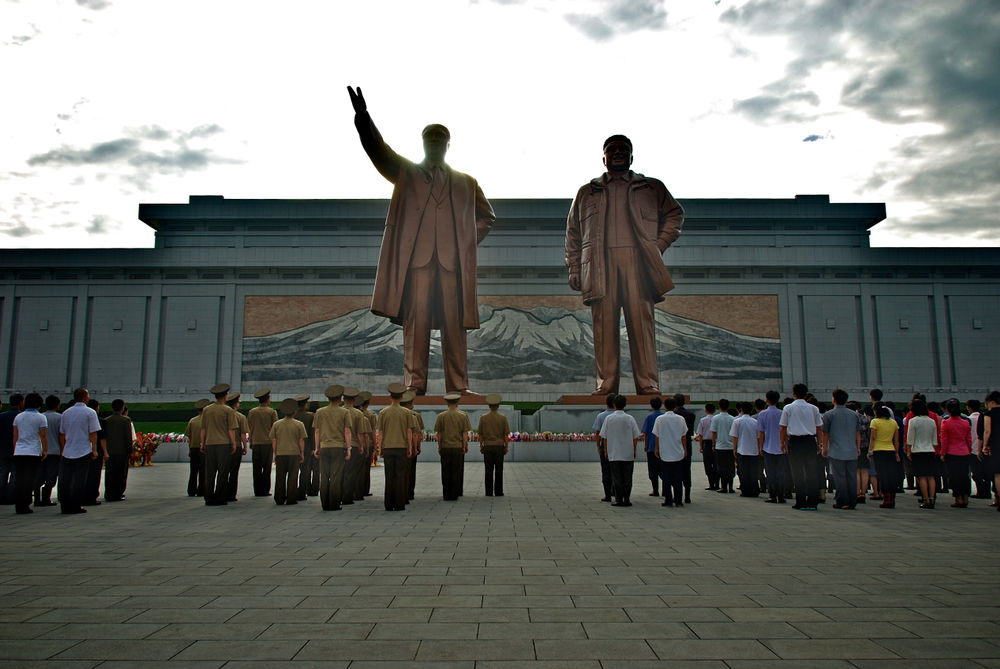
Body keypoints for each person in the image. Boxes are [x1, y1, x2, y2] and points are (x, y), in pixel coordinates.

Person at [347, 86, 495, 395]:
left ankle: (459, 386)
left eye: (440, 139)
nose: (435, 144)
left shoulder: (466, 182)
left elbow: (487, 217)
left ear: (448, 145)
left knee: (455, 326)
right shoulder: (407, 172)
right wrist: (363, 118)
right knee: (417, 323)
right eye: (430, 139)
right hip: (418, 263)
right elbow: (379, 150)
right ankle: (414, 384)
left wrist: (466, 241)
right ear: (424, 143)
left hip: (452, 265)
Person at [565, 135, 684, 395]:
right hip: (598, 265)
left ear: (632, 156)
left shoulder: (651, 187)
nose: (618, 153)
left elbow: (675, 214)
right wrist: (574, 267)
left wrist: (658, 245)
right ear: (603, 157)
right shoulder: (587, 191)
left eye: (624, 150)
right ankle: (606, 384)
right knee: (603, 326)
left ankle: (647, 383)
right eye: (612, 149)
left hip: (638, 263)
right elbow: (573, 232)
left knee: (641, 324)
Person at [779, 383, 823, 510]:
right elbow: (819, 428)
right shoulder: (813, 409)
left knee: (797, 472)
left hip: (795, 441)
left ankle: (801, 501)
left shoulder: (788, 408)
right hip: (810, 441)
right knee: (811, 472)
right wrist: (820, 444)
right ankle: (813, 502)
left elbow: (782, 428)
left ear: (794, 394)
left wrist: (783, 443)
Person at [57, 388, 101, 515]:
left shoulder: (66, 412)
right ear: (85, 398)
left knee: (66, 480)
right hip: (83, 450)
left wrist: (63, 448)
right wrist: (94, 449)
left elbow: (62, 433)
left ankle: (65, 506)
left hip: (68, 450)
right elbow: (93, 433)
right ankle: (76, 505)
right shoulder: (90, 412)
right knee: (79, 480)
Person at [312, 384, 352, 511]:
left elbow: (317, 431)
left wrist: (317, 447)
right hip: (338, 447)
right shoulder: (344, 412)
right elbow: (347, 431)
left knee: (324, 476)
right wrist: (349, 448)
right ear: (340, 398)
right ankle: (334, 503)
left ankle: (325, 503)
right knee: (336, 476)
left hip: (324, 446)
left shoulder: (320, 412)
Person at [821, 389, 862, 510]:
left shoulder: (829, 415)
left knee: (840, 477)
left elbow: (825, 433)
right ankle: (852, 501)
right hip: (851, 450)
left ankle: (842, 501)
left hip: (836, 451)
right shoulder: (854, 414)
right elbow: (857, 432)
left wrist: (824, 447)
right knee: (851, 476)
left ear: (834, 399)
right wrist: (858, 447)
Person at [376, 382, 413, 511]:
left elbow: (380, 433)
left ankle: (388, 503)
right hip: (401, 447)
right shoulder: (407, 413)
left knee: (389, 476)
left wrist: (380, 449)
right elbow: (409, 432)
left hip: (388, 447)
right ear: (402, 397)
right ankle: (399, 504)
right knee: (400, 477)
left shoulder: (383, 412)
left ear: (390, 397)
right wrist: (410, 447)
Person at [200, 384, 239, 506]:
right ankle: (220, 497)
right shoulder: (228, 410)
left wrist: (202, 443)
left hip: (210, 443)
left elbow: (203, 428)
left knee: (210, 471)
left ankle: (208, 497)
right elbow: (231, 429)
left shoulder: (207, 409)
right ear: (225, 396)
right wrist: (233, 444)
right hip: (223, 444)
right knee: (223, 471)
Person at [599, 394, 640, 507]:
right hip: (627, 452)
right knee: (627, 477)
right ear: (625, 404)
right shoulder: (630, 418)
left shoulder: (609, 418)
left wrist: (606, 451)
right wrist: (634, 449)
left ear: (614, 404)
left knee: (616, 477)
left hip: (614, 452)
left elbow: (604, 437)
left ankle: (618, 499)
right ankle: (626, 499)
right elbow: (635, 436)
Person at [11, 393, 47, 514]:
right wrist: (45, 450)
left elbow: (15, 436)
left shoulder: (19, 417)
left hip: (19, 451)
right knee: (30, 479)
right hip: (33, 451)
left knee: (20, 479)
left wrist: (15, 449)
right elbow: (43, 436)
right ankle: (26, 503)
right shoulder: (41, 417)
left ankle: (19, 504)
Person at [269, 398, 307, 506]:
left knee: (280, 477)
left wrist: (275, 454)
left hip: (281, 453)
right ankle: (291, 498)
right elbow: (301, 441)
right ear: (294, 411)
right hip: (294, 453)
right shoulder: (299, 424)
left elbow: (274, 440)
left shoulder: (277, 424)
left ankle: (279, 498)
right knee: (293, 477)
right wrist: (302, 453)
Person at [435, 392, 471, 501]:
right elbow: (465, 433)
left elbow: (439, 434)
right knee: (457, 470)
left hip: (445, 447)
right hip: (457, 446)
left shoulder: (441, 416)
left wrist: (440, 446)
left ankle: (447, 493)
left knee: (445, 471)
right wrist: (465, 446)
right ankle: (456, 492)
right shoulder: (463, 415)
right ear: (457, 402)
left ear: (447, 403)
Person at [653, 396, 688, 507]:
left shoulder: (660, 419)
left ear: (665, 406)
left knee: (666, 478)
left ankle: (668, 499)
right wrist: (685, 449)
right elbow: (684, 436)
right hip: (678, 451)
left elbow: (657, 436)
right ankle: (678, 500)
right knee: (678, 477)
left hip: (665, 451)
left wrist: (656, 448)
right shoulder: (680, 419)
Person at [905, 399, 939, 509]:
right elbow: (935, 440)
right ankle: (932, 498)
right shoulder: (931, 421)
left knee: (921, 476)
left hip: (917, 450)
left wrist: (908, 451)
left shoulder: (913, 421)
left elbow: (910, 439)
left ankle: (925, 499)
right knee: (931, 476)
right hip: (930, 450)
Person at [940, 399, 972, 508]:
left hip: (951, 453)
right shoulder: (966, 422)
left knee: (954, 476)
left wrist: (943, 453)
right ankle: (965, 498)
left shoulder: (946, 422)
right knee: (964, 476)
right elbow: (969, 439)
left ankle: (958, 498)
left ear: (948, 410)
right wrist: (969, 449)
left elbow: (944, 440)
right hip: (964, 452)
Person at [869, 405, 901, 509]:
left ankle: (886, 498)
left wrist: (870, 451)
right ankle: (892, 498)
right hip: (890, 450)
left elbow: (873, 438)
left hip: (878, 450)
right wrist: (896, 453)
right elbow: (896, 440)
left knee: (882, 476)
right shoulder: (893, 422)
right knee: (891, 475)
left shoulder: (875, 422)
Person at [478, 394, 510, 497]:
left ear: (489, 405)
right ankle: (498, 491)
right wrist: (506, 446)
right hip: (499, 446)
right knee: (499, 469)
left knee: (488, 470)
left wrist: (481, 446)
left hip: (487, 446)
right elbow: (505, 435)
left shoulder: (483, 418)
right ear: (498, 405)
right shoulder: (503, 418)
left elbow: (480, 434)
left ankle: (488, 492)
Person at [247, 389, 277, 497]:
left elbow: (250, 427)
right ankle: (265, 490)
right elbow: (275, 429)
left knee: (256, 468)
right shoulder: (271, 412)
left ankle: (257, 490)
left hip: (256, 442)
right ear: (267, 399)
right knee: (266, 467)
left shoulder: (252, 412)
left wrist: (251, 440)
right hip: (267, 443)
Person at [756, 391, 785, 504]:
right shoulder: (782, 413)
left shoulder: (762, 414)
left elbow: (761, 433)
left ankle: (773, 495)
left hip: (768, 447)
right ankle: (781, 496)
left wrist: (760, 447)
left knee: (770, 472)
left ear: (767, 400)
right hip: (781, 447)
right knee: (781, 472)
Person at [103, 399, 134, 502]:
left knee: (110, 473)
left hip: (110, 450)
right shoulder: (126, 420)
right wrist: (130, 450)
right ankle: (118, 493)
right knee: (121, 474)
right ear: (122, 407)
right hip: (122, 451)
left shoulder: (106, 420)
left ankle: (108, 493)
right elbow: (128, 437)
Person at [36, 395, 62, 507]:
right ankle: (46, 498)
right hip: (55, 451)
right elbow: (62, 435)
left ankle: (37, 499)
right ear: (57, 405)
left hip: (41, 451)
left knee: (39, 476)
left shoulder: (40, 416)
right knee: (51, 477)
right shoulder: (60, 418)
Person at [731, 401, 761, 498]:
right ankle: (755, 489)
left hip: (742, 449)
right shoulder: (755, 422)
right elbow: (758, 437)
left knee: (744, 472)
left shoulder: (737, 421)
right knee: (753, 471)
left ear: (741, 410)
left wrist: (734, 449)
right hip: (754, 450)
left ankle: (746, 490)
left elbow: (735, 437)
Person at [83, 398, 109, 506]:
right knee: (94, 474)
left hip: (83, 448)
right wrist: (105, 452)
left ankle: (82, 495)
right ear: (97, 408)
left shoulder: (83, 417)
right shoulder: (100, 420)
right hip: (96, 450)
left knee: (84, 474)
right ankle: (92, 496)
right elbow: (102, 438)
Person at [0, 394, 24, 505]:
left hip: (3, 449)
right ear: (20, 403)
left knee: (3, 472)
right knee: (15, 474)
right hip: (17, 448)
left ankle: (1, 496)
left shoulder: (2, 416)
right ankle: (11, 496)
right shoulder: (22, 416)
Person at [592, 393, 617, 502]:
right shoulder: (622, 416)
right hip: (617, 446)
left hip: (605, 446)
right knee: (616, 470)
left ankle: (607, 495)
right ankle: (616, 492)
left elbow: (598, 433)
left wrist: (598, 446)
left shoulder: (601, 416)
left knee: (606, 470)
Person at [979, 390, 1000, 512]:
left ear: (992, 402)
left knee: (998, 474)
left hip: (996, 446)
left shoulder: (989, 414)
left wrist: (984, 446)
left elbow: (987, 431)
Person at [639, 397, 665, 496]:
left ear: (651, 405)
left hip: (651, 447)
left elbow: (645, 433)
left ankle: (655, 490)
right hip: (663, 447)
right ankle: (665, 490)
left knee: (653, 469)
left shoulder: (649, 417)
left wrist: (645, 445)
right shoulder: (663, 416)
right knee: (663, 469)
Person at [184, 399, 210, 497]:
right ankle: (201, 491)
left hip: (194, 448)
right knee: (203, 471)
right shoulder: (207, 421)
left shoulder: (192, 420)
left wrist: (190, 449)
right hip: (204, 448)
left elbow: (189, 437)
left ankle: (191, 490)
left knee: (193, 471)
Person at [673, 394, 696, 504]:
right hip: (687, 445)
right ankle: (687, 495)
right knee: (687, 471)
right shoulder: (690, 415)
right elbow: (690, 432)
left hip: (675, 445)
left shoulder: (674, 415)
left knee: (675, 471)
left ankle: (677, 495)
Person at [293, 394, 316, 500]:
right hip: (306, 446)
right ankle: (302, 492)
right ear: (305, 404)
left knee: (293, 471)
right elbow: (312, 433)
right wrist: (313, 447)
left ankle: (291, 491)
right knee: (305, 471)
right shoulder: (310, 416)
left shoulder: (292, 416)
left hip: (292, 447)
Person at [711, 399, 736, 494]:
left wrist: (713, 444)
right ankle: (731, 486)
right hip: (730, 446)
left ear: (719, 406)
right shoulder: (732, 419)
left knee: (722, 467)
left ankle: (723, 486)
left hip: (720, 446)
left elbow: (713, 432)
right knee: (730, 466)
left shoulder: (716, 418)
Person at [966, 399, 989, 498]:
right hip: (984, 447)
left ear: (969, 408)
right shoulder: (984, 417)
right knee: (986, 472)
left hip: (973, 449)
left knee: (976, 473)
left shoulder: (968, 419)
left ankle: (980, 491)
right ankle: (987, 492)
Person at [695, 403, 719, 491]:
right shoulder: (717, 419)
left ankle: (711, 484)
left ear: (705, 410)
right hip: (716, 443)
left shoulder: (703, 420)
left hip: (706, 443)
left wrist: (700, 446)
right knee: (716, 463)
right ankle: (717, 483)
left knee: (708, 464)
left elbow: (700, 435)